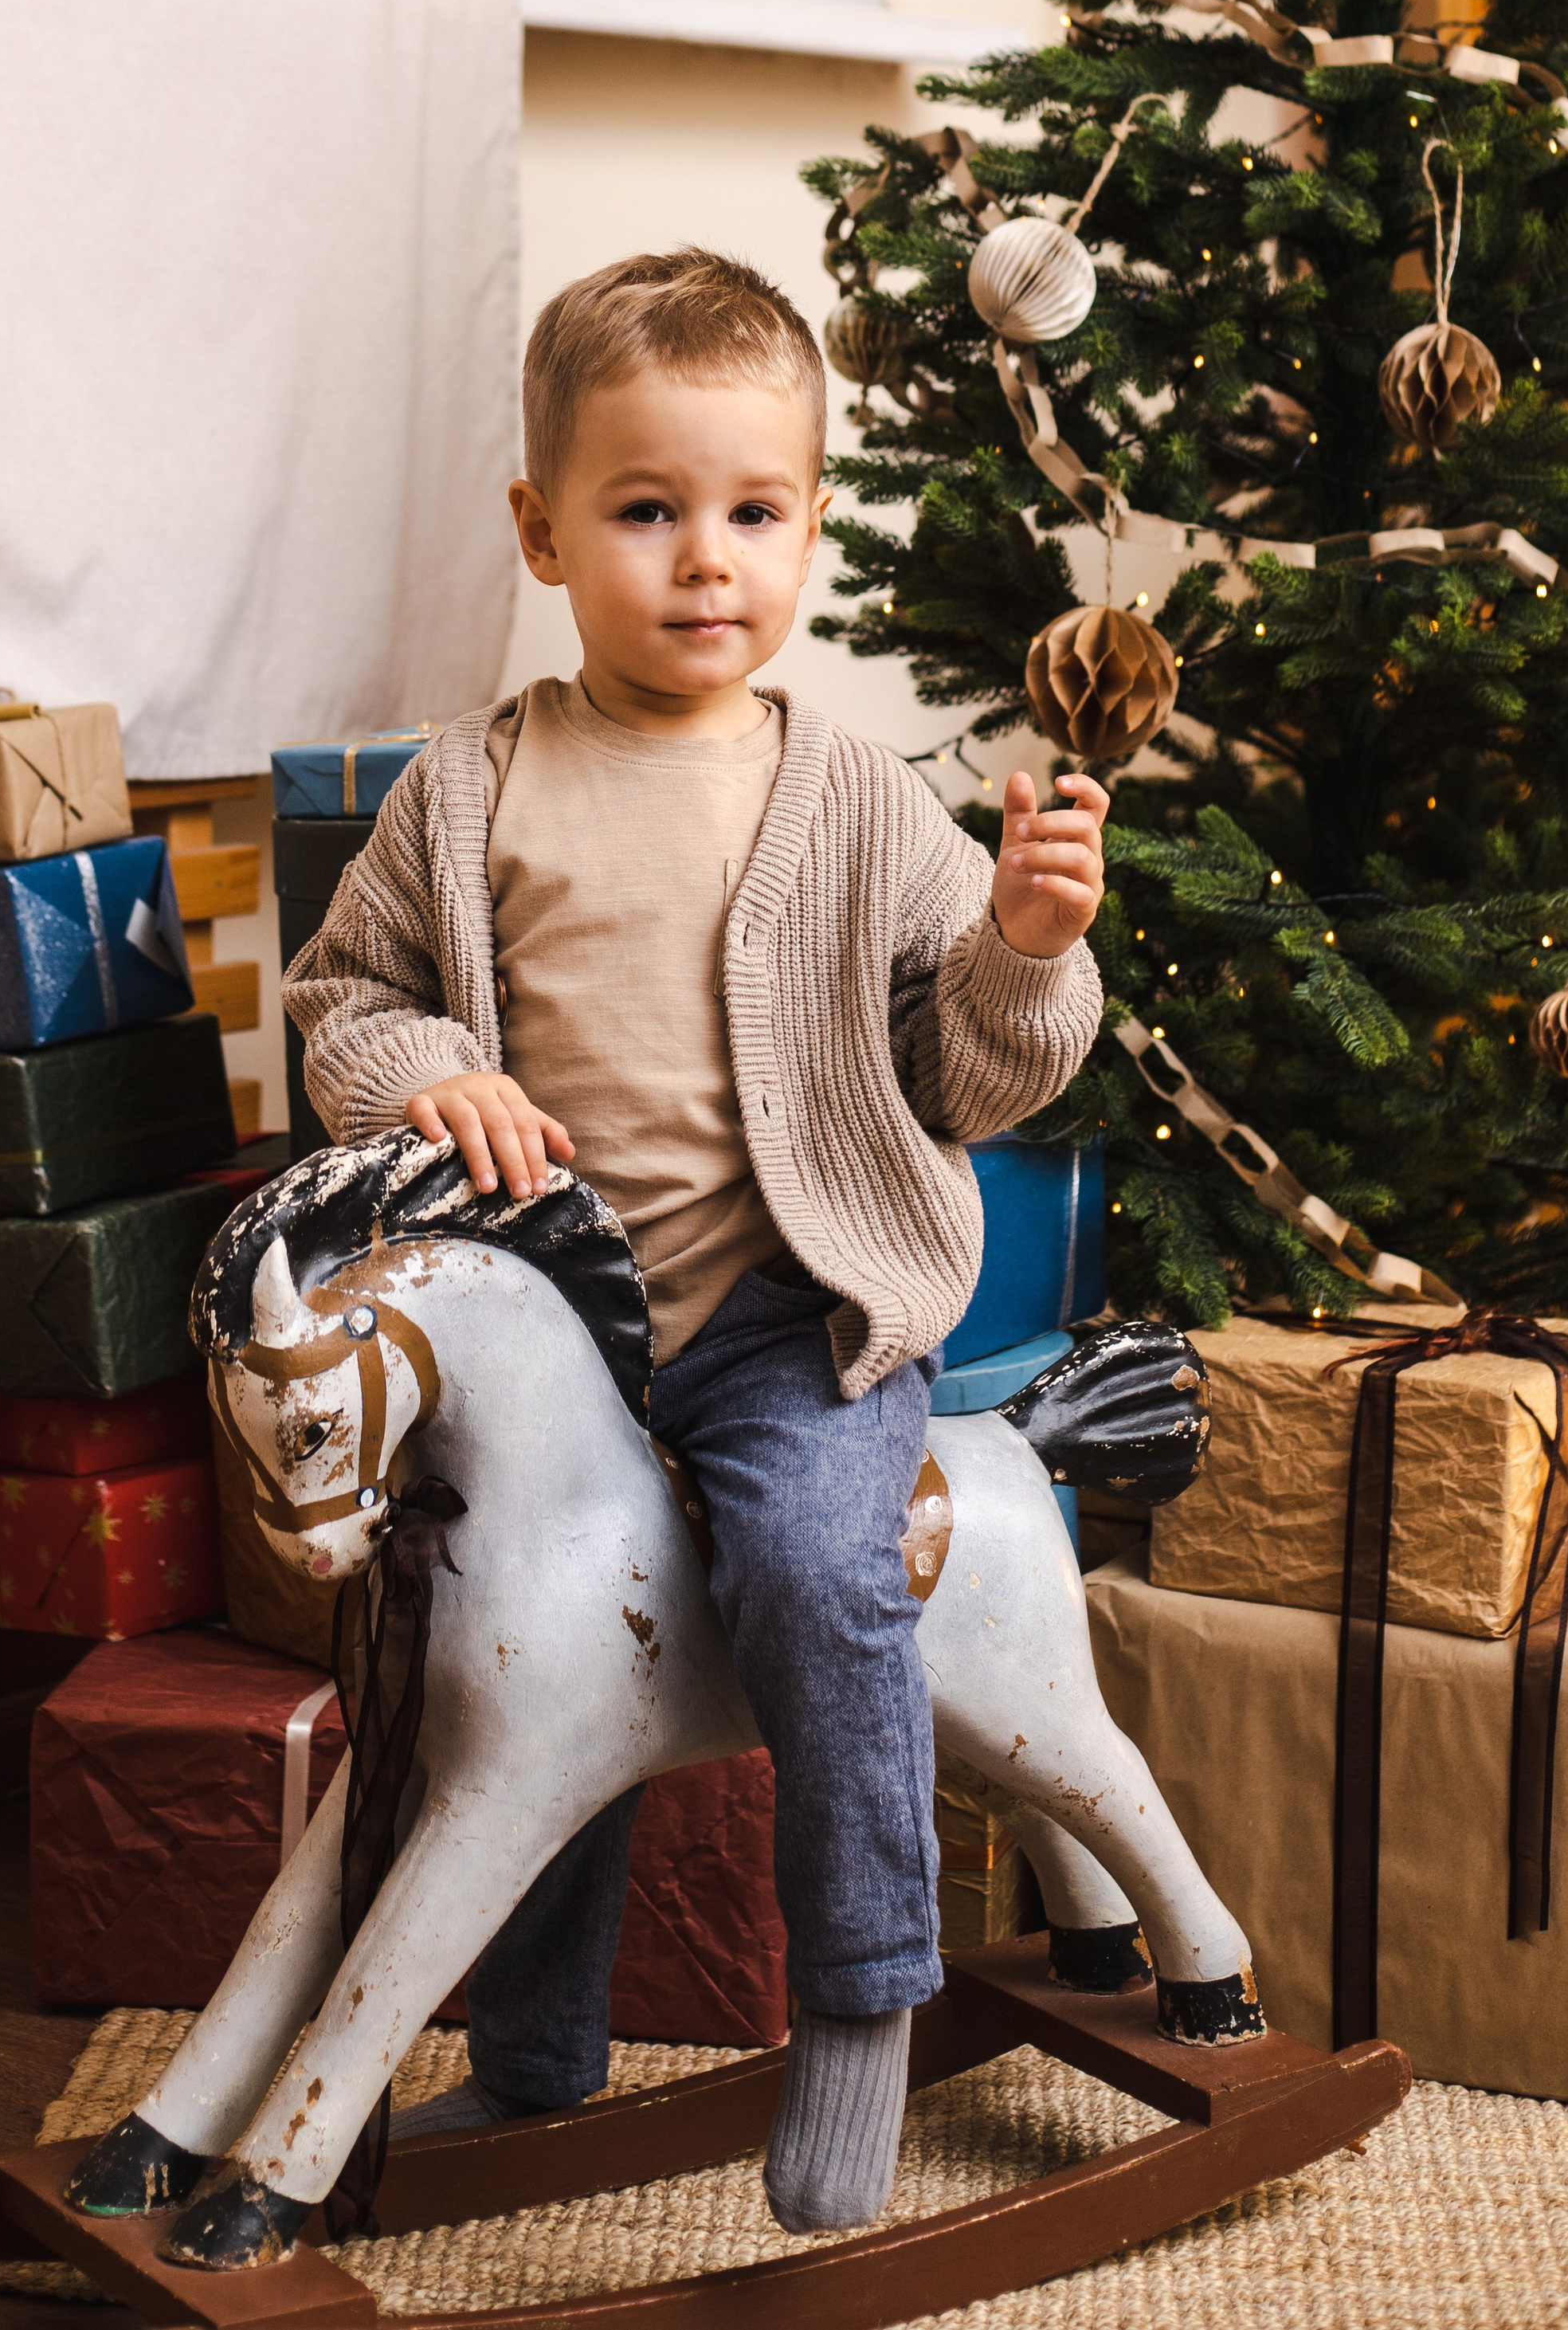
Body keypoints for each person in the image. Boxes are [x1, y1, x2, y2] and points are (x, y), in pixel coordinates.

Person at [282, 245, 1106, 2231]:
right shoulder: (468, 787)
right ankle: (536, 2050)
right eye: (646, 512)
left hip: (778, 1318)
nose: (704, 559)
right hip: (563, 1328)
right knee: (518, 1651)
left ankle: (856, 2003)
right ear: (543, 530)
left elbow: (970, 1075)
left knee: (822, 1579)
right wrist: (424, 1075)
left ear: (810, 521)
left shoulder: (852, 797)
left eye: (753, 512)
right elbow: (339, 1004)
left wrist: (1024, 949)